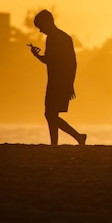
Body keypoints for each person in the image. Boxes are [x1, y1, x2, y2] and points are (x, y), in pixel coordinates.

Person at [29, 9, 86, 146]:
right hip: (56, 81)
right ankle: (61, 141)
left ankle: (76, 137)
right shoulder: (59, 38)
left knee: (50, 114)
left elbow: (70, 63)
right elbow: (53, 60)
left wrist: (70, 84)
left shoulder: (58, 38)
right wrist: (37, 55)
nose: (40, 31)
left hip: (58, 83)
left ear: (47, 23)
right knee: (51, 114)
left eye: (41, 27)